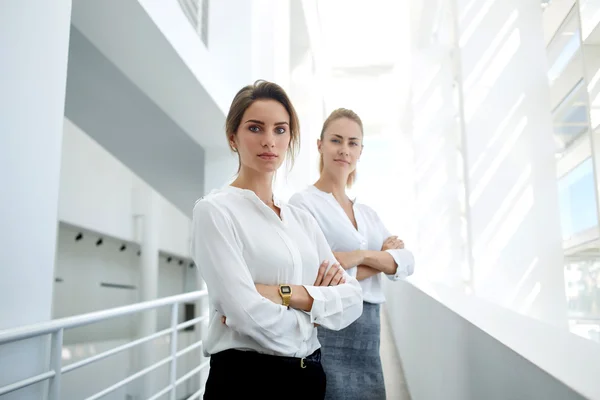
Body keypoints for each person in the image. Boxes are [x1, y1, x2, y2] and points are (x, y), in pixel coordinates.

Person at [190, 82, 363, 400]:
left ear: (290, 139)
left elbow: (352, 298)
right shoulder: (215, 211)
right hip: (247, 381)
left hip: (309, 377)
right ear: (233, 137)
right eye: (255, 128)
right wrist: (313, 315)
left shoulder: (301, 220)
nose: (269, 140)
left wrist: (286, 294)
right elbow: (244, 313)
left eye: (280, 130)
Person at [289, 108, 415, 400]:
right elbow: (319, 272)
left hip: (369, 329)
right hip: (330, 323)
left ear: (360, 151)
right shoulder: (303, 203)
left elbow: (406, 262)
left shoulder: (367, 214)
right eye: (336, 140)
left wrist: (356, 256)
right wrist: (380, 258)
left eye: (352, 143)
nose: (344, 149)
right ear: (320, 145)